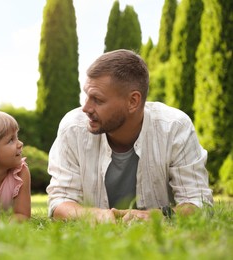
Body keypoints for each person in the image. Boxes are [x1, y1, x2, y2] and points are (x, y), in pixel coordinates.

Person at [46, 49, 213, 223]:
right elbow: (59, 201)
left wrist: (155, 216)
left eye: (98, 100)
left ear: (133, 101)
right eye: (86, 95)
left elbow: (199, 203)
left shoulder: (175, 128)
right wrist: (95, 215)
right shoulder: (72, 128)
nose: (86, 108)